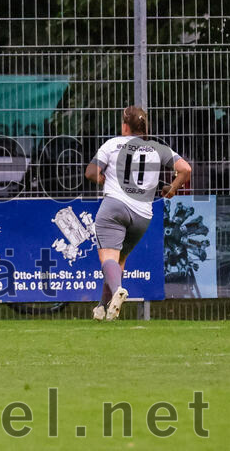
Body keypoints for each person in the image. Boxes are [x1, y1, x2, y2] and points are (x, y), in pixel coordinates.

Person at [85, 106, 192, 320]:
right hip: (142, 214)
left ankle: (117, 291)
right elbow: (185, 169)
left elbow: (90, 172)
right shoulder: (158, 148)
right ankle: (102, 308)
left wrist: (101, 178)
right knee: (119, 261)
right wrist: (171, 188)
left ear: (125, 126)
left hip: (114, 207)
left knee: (108, 258)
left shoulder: (112, 144)